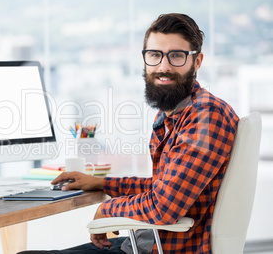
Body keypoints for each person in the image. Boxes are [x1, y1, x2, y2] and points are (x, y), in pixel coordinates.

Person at [18, 13, 239, 254]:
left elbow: (163, 207)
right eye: (155, 55)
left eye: (177, 56)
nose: (163, 67)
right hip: (144, 243)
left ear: (197, 62)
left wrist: (108, 209)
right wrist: (102, 183)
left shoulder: (206, 116)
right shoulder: (173, 115)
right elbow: (163, 188)